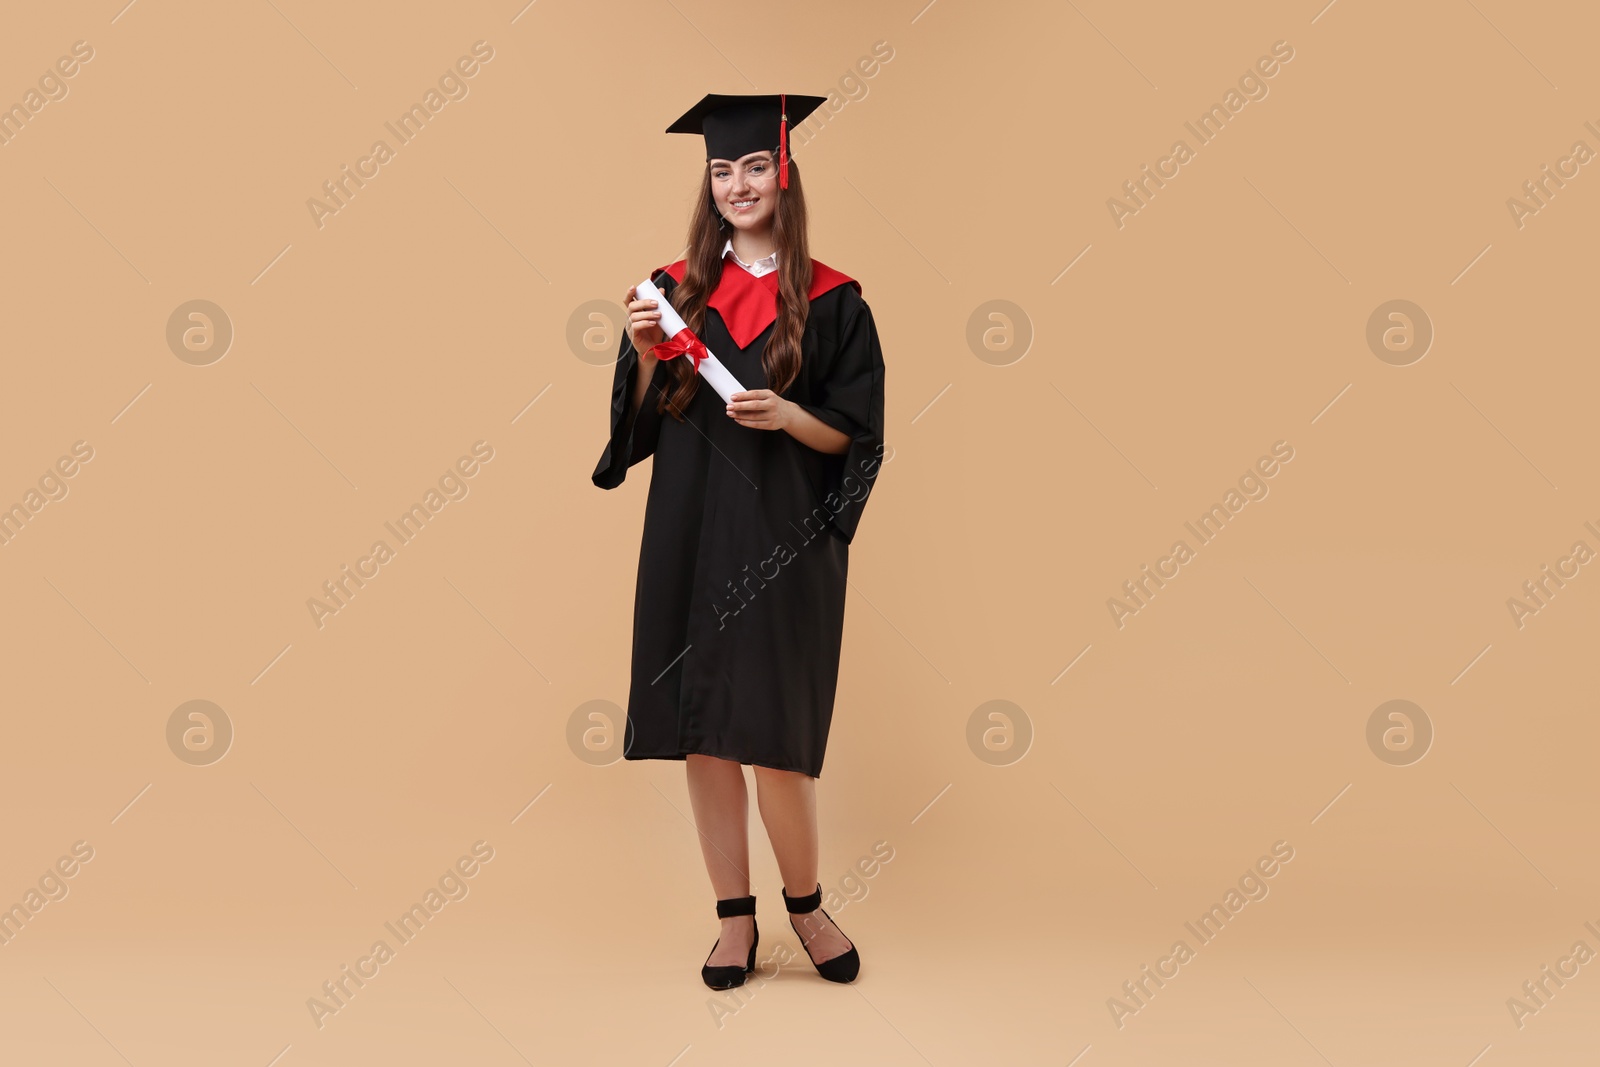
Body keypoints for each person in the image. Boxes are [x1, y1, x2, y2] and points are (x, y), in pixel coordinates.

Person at [592, 92, 887, 989]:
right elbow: (637, 431)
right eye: (722, 170)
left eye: (755, 166)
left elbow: (859, 433)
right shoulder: (675, 292)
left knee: (775, 732)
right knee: (706, 732)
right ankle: (734, 918)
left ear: (785, 172)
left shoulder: (835, 302)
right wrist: (645, 350)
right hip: (689, 532)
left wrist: (793, 415)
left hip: (783, 541)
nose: (737, 184)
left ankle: (806, 904)